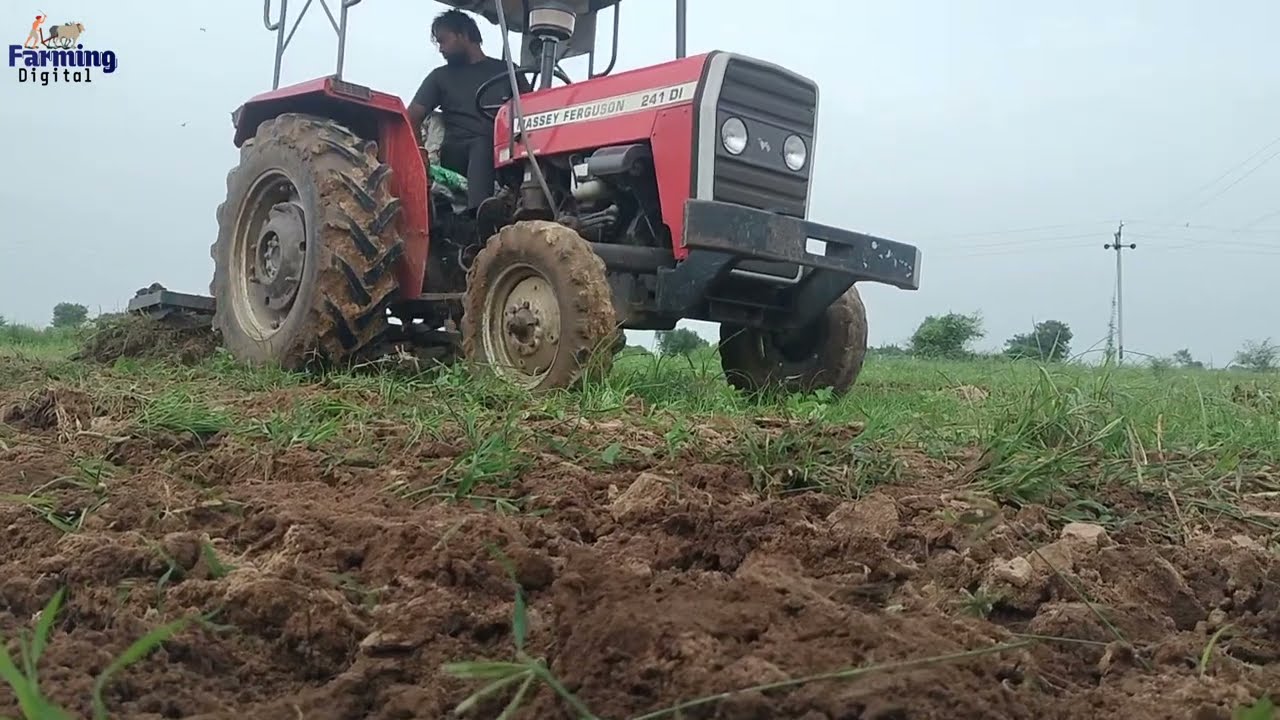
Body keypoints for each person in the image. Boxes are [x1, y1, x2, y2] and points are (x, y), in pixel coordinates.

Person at [408, 9, 531, 215]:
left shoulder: (507, 70)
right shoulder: (440, 77)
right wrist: (420, 153)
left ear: (463, 35)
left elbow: (531, 108)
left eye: (443, 41)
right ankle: (479, 216)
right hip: (460, 152)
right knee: (483, 143)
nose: (440, 49)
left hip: (504, 152)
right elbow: (412, 116)